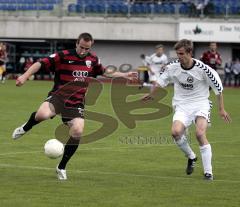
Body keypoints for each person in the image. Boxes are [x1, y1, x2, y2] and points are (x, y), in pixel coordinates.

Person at [12, 32, 136, 181]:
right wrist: (25, 76)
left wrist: (124, 75)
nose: (83, 51)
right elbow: (40, 63)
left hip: (76, 102)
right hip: (58, 96)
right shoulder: (63, 55)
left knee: (78, 130)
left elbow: (104, 72)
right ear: (76, 43)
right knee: (42, 115)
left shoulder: (93, 59)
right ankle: (26, 127)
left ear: (91, 46)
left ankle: (61, 167)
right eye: (81, 47)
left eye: (87, 49)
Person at [143, 39, 231, 180]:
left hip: (200, 103)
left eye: (182, 53)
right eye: (178, 54)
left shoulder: (204, 70)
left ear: (190, 53)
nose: (179, 56)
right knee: (175, 132)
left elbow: (218, 90)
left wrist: (221, 109)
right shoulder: (173, 67)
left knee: (200, 134)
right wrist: (151, 95)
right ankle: (191, 156)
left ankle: (208, 173)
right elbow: (161, 81)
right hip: (182, 104)